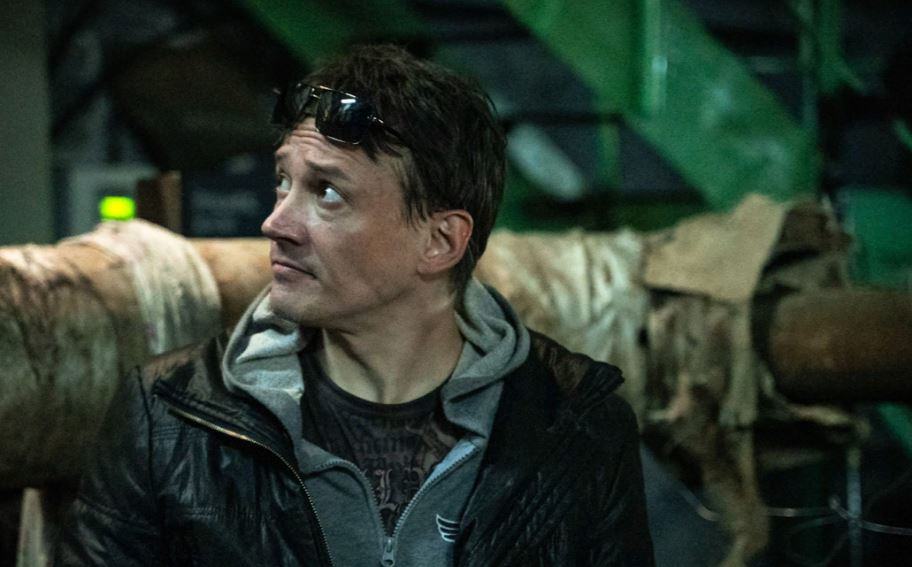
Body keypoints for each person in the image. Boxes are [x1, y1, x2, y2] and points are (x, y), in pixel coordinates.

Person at [57, 44, 654, 566]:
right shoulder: (168, 421)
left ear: (440, 241)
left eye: (328, 192)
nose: (275, 223)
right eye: (283, 181)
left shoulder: (577, 429)